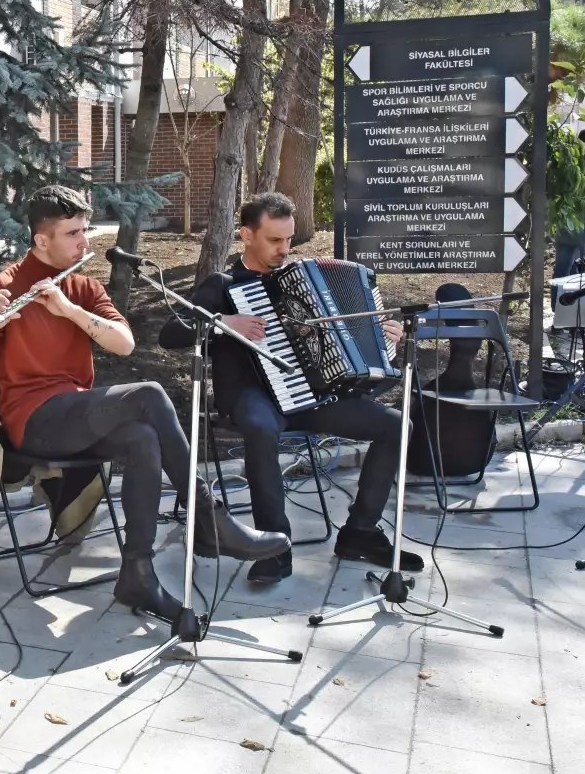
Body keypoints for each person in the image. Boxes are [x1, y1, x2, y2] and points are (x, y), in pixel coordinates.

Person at [0, 185, 290, 621]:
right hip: (32, 420)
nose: (85, 242)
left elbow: (125, 344)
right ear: (42, 240)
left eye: (85, 230)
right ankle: (210, 520)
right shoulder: (2, 287)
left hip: (78, 413)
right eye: (74, 233)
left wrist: (70, 311)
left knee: (141, 438)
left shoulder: (82, 287)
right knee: (149, 395)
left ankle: (138, 574)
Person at [158, 192, 422, 585]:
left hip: (308, 396)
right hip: (251, 395)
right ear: (247, 236)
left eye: (288, 240)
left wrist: (385, 340)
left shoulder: (305, 283)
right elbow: (169, 335)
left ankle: (360, 533)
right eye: (274, 241)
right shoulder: (223, 286)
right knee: (262, 428)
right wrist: (222, 323)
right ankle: (274, 546)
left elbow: (343, 343)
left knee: (397, 426)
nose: (284, 250)